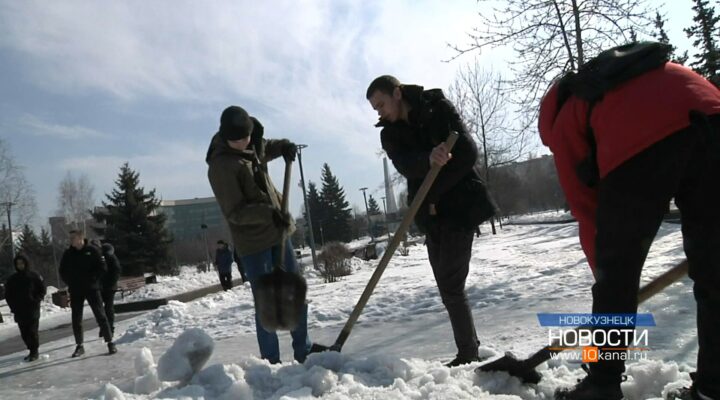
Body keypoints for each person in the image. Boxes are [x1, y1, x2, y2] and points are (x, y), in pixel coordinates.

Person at [539, 61, 720, 399]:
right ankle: (714, 388)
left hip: (643, 138)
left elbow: (587, 213)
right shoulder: (613, 82)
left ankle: (602, 384)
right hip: (712, 117)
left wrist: (611, 284)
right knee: (717, 270)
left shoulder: (562, 121)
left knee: (614, 275)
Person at [366, 75, 496, 367]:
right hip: (429, 215)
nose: (379, 112)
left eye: (381, 104)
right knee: (447, 286)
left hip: (461, 208)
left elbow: (468, 154)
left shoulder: (437, 108)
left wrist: (434, 187)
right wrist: (429, 158)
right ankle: (469, 346)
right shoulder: (389, 134)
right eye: (375, 108)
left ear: (397, 93)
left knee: (451, 284)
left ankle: (467, 353)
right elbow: (405, 165)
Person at [206, 105, 324, 364]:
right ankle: (270, 361)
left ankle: (303, 349)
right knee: (267, 303)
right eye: (236, 140)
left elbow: (265, 146)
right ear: (225, 136)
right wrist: (268, 214)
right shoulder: (221, 166)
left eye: (246, 137)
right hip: (253, 243)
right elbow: (235, 212)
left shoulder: (251, 142)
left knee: (295, 292)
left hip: (277, 232)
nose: (243, 143)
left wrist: (284, 147)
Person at [59, 230, 117, 357]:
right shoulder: (68, 254)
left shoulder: (93, 250)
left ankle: (110, 342)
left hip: (92, 289)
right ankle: (79, 345)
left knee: (101, 315)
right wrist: (70, 282)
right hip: (76, 290)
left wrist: (93, 279)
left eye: (73, 238)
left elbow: (103, 267)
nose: (71, 240)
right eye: (71, 238)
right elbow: (62, 270)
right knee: (76, 319)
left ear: (80, 238)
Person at [5, 254, 46, 362]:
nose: (20, 266)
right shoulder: (12, 279)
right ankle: (31, 349)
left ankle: (34, 351)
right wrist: (13, 306)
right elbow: (8, 295)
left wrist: (36, 299)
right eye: (18, 264)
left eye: (22, 263)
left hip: (32, 309)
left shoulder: (34, 276)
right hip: (19, 310)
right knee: (24, 332)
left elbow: (42, 289)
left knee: (32, 331)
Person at [100, 242, 121, 336]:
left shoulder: (111, 259)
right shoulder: (110, 258)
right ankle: (106, 327)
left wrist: (108, 284)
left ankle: (108, 328)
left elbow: (116, 272)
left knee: (107, 308)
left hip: (108, 287)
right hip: (106, 287)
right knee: (106, 309)